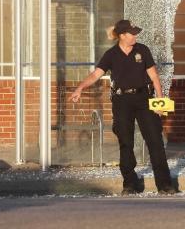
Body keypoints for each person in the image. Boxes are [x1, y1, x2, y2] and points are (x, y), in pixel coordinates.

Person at [70, 19, 177, 195]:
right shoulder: (111, 55)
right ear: (122, 35)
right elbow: (96, 74)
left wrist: (160, 101)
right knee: (126, 142)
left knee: (155, 141)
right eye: (131, 33)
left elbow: (154, 76)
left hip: (144, 98)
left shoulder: (142, 50)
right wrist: (80, 88)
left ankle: (165, 184)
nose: (135, 36)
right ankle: (130, 183)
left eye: (135, 33)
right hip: (122, 101)